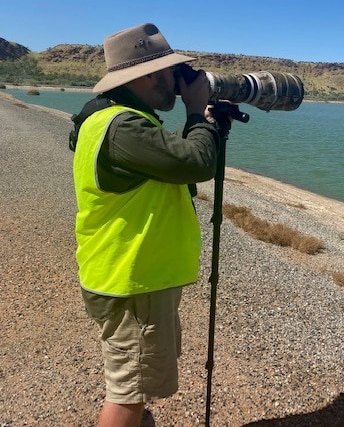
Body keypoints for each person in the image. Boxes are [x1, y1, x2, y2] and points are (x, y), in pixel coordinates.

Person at [70, 23, 227, 427]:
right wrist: (197, 112)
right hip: (131, 279)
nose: (178, 81)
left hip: (130, 274)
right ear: (148, 75)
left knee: (133, 384)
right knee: (128, 393)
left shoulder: (115, 118)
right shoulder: (124, 126)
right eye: (173, 72)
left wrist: (200, 118)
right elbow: (196, 163)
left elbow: (168, 163)